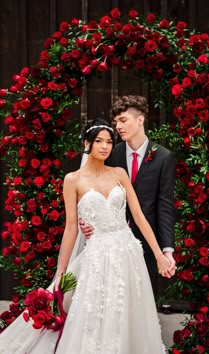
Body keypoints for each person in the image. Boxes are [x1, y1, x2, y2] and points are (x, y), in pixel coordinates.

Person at [0, 119, 169, 353]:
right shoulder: (73, 180)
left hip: (127, 251)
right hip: (97, 255)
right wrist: (61, 272)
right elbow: (71, 228)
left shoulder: (119, 173)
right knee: (97, 312)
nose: (105, 147)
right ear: (87, 143)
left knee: (128, 312)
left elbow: (139, 217)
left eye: (109, 142)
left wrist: (159, 255)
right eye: (99, 141)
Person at [80, 96, 177, 296]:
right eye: (116, 122)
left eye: (123, 120)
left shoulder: (163, 157)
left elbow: (165, 206)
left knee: (142, 300)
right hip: (110, 244)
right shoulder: (110, 153)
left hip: (147, 243)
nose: (118, 126)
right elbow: (91, 189)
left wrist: (166, 250)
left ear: (140, 120)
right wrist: (86, 220)